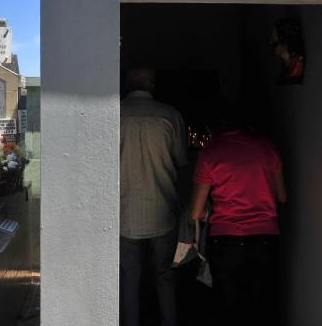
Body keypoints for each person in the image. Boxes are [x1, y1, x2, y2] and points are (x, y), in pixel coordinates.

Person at [189, 118, 286, 326]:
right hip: (265, 239)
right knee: (260, 306)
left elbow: (195, 211)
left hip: (226, 241)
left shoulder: (211, 154)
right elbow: (282, 196)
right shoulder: (267, 147)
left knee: (228, 309)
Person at [120, 66, 187, 326]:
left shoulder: (115, 115)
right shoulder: (169, 115)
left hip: (124, 210)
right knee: (164, 275)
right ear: (152, 84)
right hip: (163, 209)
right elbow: (181, 160)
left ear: (129, 84)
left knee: (129, 277)